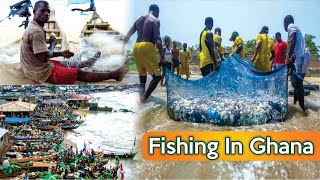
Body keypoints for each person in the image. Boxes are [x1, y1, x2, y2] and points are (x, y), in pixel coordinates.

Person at [20, 1, 129, 84]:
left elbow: (41, 54)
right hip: (40, 72)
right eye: (42, 11)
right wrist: (53, 43)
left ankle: (88, 63)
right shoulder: (36, 31)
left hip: (35, 66)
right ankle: (114, 75)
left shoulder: (34, 27)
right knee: (78, 74)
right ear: (34, 12)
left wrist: (61, 53)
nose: (46, 14)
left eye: (48, 11)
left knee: (68, 64)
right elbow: (44, 57)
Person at [123, 4, 163, 103]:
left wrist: (121, 47)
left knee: (142, 77)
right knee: (157, 77)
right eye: (158, 14)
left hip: (136, 47)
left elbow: (128, 35)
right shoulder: (155, 20)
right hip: (147, 47)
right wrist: (162, 55)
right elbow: (157, 38)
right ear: (156, 11)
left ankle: (141, 100)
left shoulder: (139, 20)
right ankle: (143, 99)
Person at [284, 15, 308, 112]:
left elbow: (292, 39)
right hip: (300, 58)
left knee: (299, 83)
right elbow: (295, 44)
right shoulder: (296, 28)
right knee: (297, 83)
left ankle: (302, 108)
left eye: (283, 24)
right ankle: (298, 105)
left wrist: (288, 58)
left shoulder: (291, 26)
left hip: (300, 58)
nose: (284, 26)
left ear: (286, 22)